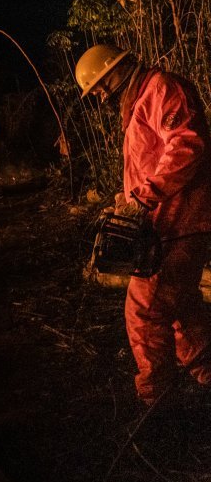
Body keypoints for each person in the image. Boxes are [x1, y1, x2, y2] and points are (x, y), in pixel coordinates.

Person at [76, 44, 211, 405]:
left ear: (116, 69)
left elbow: (186, 146)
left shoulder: (162, 89)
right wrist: (127, 201)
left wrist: (144, 196)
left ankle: (157, 407)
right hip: (167, 223)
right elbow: (151, 162)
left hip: (180, 222)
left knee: (145, 311)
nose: (101, 96)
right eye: (96, 92)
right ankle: (207, 378)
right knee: (180, 309)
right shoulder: (140, 102)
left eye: (101, 85)